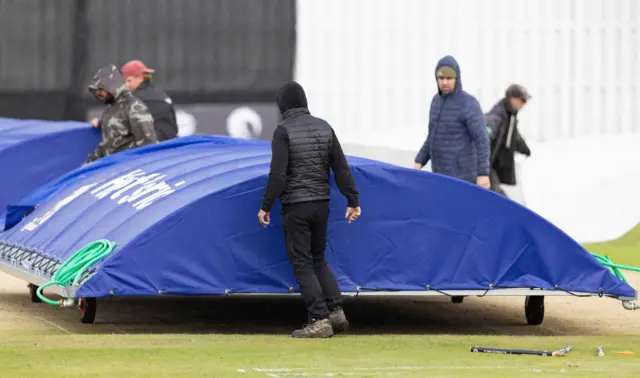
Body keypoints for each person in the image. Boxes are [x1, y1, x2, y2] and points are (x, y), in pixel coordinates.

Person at [258, 81, 361, 339]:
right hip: (322, 205)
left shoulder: (283, 131)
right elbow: (341, 167)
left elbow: (278, 175)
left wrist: (266, 206)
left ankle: (318, 318)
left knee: (302, 263)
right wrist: (352, 199)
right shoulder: (324, 127)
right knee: (318, 259)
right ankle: (336, 311)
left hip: (296, 205)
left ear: (283, 105)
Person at [413, 56, 491, 189]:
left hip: (464, 179)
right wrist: (418, 162)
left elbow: (482, 140)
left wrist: (483, 174)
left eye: (449, 78)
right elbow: (432, 137)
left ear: (457, 79)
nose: (444, 82)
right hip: (440, 176)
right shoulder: (436, 102)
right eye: (441, 78)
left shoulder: (468, 103)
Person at [90, 60, 178, 142]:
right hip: (170, 148)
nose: (126, 85)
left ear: (140, 78)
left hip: (152, 149)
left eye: (129, 80)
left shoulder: (135, 98)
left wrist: (99, 122)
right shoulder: (161, 95)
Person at [85, 64, 158, 163]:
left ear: (112, 87)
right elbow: (108, 145)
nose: (99, 94)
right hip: (111, 168)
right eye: (97, 91)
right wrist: (87, 165)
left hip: (128, 168)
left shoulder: (133, 106)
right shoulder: (110, 109)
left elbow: (148, 144)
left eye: (102, 89)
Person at [485, 84, 532, 196]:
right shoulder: (497, 115)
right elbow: (484, 134)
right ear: (512, 98)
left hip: (495, 164)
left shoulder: (510, 116)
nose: (523, 104)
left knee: (499, 196)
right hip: (486, 165)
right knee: (497, 196)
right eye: (522, 100)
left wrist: (525, 150)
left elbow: (514, 136)